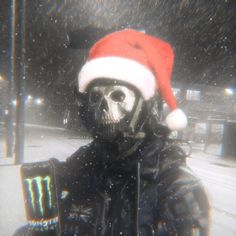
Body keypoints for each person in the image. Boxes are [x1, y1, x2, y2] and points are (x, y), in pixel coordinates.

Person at [15, 29, 209, 236]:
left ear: (142, 106)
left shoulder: (175, 187)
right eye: (96, 97)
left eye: (118, 95)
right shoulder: (84, 164)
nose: (103, 107)